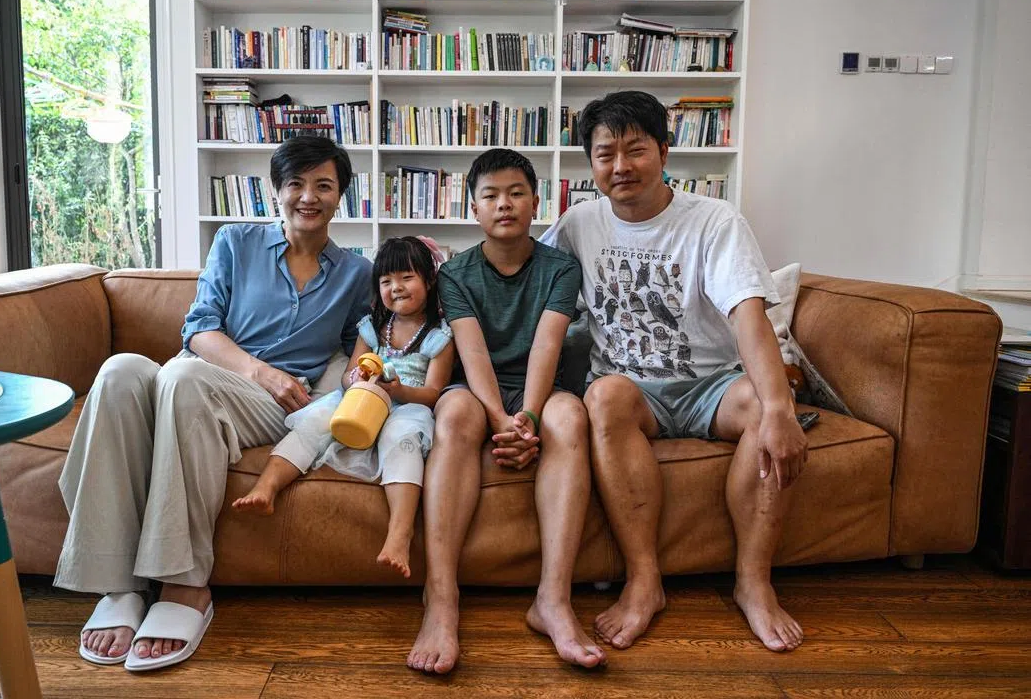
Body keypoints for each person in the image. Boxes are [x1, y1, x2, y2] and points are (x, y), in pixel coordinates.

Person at [56, 135, 372, 671]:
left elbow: (363, 346)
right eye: (295, 183)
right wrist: (259, 370)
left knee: (182, 379)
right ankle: (118, 585)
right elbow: (199, 328)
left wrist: (328, 399)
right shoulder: (235, 241)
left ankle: (184, 585)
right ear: (276, 191)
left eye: (323, 185)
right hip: (215, 375)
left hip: (274, 406)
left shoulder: (358, 274)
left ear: (340, 196)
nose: (308, 196)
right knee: (120, 371)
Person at [540, 90, 808, 653]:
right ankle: (644, 581)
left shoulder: (714, 221)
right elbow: (523, 276)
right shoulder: (578, 223)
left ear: (665, 150)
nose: (620, 167)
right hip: (631, 389)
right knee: (605, 397)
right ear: (589, 163)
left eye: (635, 150)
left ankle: (753, 584)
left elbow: (748, 316)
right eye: (604, 154)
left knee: (763, 407)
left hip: (713, 383)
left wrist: (780, 407)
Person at [407, 148, 606, 674]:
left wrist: (532, 421)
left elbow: (547, 345)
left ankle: (554, 600)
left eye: (516, 193)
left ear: (536, 203)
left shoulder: (561, 267)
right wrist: (501, 421)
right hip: (478, 390)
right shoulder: (454, 274)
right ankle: (442, 598)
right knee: (453, 414)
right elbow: (471, 355)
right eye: (491, 195)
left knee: (571, 417)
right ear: (473, 208)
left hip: (543, 391)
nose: (505, 204)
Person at [232, 236, 455, 579]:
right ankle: (267, 486)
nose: (396, 287)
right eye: (386, 281)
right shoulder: (373, 327)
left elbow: (433, 392)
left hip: (405, 406)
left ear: (428, 279)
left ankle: (399, 534)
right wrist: (359, 380)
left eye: (406, 277)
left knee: (403, 439)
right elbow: (349, 376)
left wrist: (400, 391)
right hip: (362, 399)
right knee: (317, 419)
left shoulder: (439, 336)